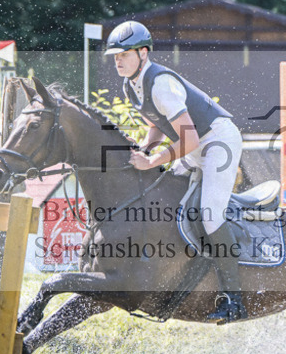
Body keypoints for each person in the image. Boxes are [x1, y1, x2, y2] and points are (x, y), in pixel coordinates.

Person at [104, 20, 247, 324]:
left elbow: (191, 139)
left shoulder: (160, 84)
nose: (118, 59)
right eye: (115, 55)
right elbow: (158, 124)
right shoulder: (131, 85)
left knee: (209, 214)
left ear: (143, 53)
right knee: (168, 195)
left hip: (217, 141)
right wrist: (144, 148)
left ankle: (234, 298)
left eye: (124, 54)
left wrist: (153, 161)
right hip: (195, 144)